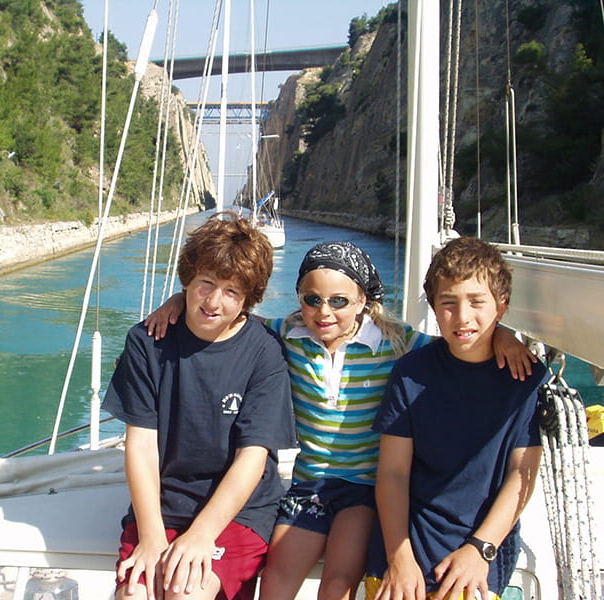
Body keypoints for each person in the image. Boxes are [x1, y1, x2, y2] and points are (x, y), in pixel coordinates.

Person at [145, 240, 535, 600]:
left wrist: (502, 334)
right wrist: (180, 300)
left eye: (339, 300)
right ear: (300, 299)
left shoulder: (397, 343)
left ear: (363, 300)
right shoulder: (287, 335)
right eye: (312, 299)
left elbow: (461, 341)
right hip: (309, 484)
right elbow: (232, 316)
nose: (324, 311)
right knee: (277, 577)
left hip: (363, 487)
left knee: (337, 582)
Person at [102, 212, 297, 600]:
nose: (213, 301)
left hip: (238, 511)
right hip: (164, 502)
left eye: (231, 292)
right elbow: (140, 445)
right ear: (188, 280)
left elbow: (252, 459)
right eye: (205, 284)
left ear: (247, 300)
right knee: (134, 595)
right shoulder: (148, 342)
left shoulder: (264, 353)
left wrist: (202, 535)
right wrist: (152, 538)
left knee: (186, 592)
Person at [365, 236, 549, 600]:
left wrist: (481, 549)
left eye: (477, 302)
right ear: (433, 308)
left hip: (478, 550)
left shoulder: (523, 379)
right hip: (404, 544)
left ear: (501, 306)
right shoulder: (411, 373)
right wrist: (398, 555)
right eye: (448, 303)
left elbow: (521, 473)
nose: (462, 317)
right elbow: (394, 473)